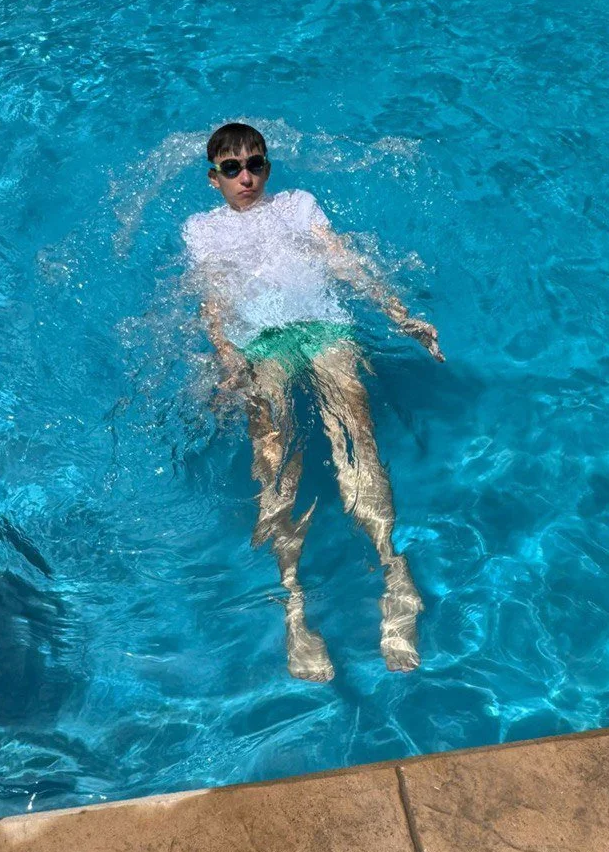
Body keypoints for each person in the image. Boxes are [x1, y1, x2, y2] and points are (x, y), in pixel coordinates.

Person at [183, 122, 444, 682]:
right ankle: (295, 606)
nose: (246, 177)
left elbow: (344, 261)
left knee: (357, 437)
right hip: (263, 345)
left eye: (255, 164)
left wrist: (399, 314)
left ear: (268, 168)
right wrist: (228, 361)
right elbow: (211, 301)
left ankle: (395, 575)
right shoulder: (201, 230)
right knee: (274, 458)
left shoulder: (299, 204)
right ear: (214, 179)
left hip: (324, 332)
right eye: (232, 169)